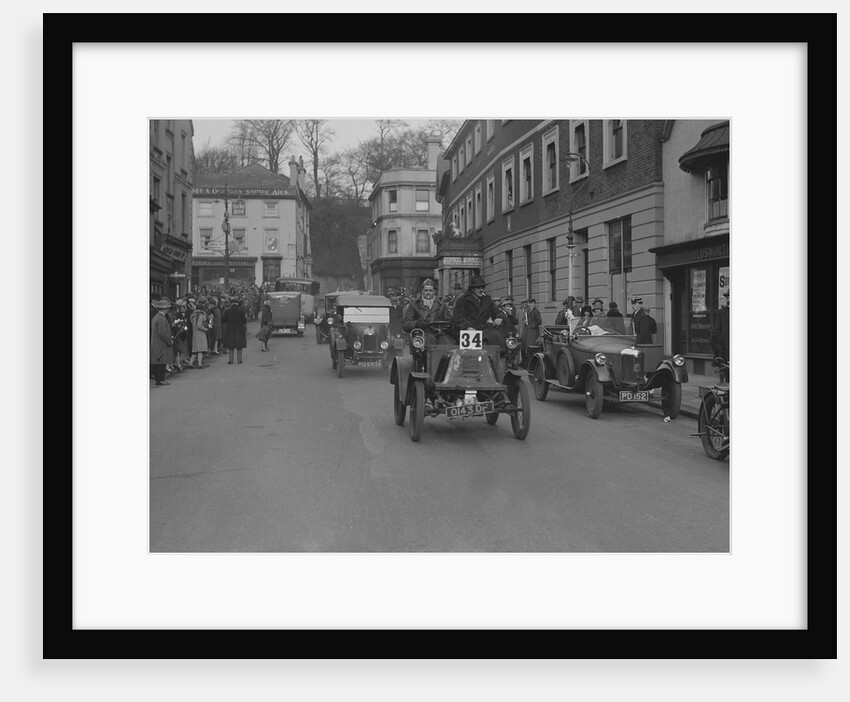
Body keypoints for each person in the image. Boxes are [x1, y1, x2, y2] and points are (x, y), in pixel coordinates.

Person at [451, 274, 506, 347]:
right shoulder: (463, 300)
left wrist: (499, 317)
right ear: (472, 289)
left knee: (498, 338)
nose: (481, 290)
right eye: (478, 288)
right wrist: (468, 327)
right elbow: (458, 318)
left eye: (483, 287)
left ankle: (499, 357)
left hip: (483, 330)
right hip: (466, 331)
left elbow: (497, 311)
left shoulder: (487, 300)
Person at [403, 278, 449, 344]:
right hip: (421, 336)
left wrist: (443, 327)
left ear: (434, 292)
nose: (428, 293)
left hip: (440, 335)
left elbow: (449, 321)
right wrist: (417, 323)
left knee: (450, 344)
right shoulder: (414, 305)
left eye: (430, 291)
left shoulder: (442, 305)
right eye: (426, 290)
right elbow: (406, 325)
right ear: (422, 291)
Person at [150, 298, 174, 386]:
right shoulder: (161, 318)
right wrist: (169, 341)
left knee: (159, 362)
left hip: (156, 343)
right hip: (161, 344)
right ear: (165, 308)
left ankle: (159, 380)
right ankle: (160, 380)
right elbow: (162, 333)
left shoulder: (156, 317)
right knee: (161, 362)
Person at [711, 289, 730, 382]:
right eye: (728, 297)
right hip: (725, 349)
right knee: (726, 372)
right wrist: (719, 351)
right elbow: (716, 332)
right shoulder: (721, 313)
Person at [222, 297, 248, 364]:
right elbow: (244, 321)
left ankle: (231, 360)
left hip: (230, 330)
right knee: (239, 346)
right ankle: (239, 360)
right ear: (237, 303)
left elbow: (223, 320)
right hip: (239, 330)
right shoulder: (241, 311)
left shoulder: (227, 311)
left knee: (231, 346)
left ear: (231, 303)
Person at [189, 296, 210, 368]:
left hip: (194, 333)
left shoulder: (193, 315)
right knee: (200, 350)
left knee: (195, 350)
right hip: (200, 334)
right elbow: (199, 325)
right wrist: (205, 329)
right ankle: (199, 364)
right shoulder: (200, 316)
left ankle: (190, 363)